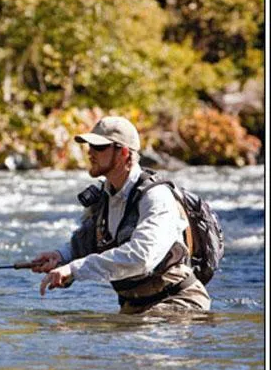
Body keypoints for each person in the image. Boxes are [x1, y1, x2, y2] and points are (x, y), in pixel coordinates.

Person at [30, 116, 211, 314]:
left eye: (99, 147)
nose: (90, 152)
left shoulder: (156, 197)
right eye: (89, 146)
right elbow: (85, 244)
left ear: (124, 152)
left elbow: (141, 258)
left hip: (180, 301)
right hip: (134, 307)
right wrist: (60, 257)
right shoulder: (104, 198)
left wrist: (74, 270)